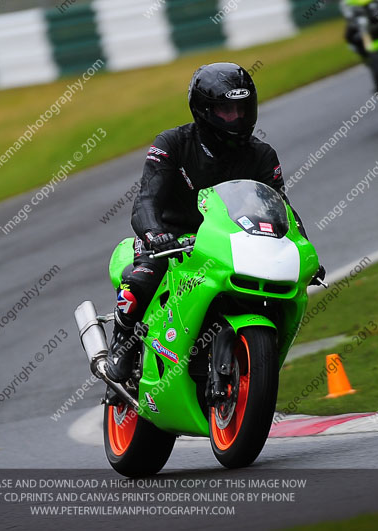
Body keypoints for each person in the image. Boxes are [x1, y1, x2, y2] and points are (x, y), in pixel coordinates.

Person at [105, 62, 324, 383]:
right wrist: (155, 232)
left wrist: (305, 251)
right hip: (171, 239)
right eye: (226, 110)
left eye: (242, 108)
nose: (237, 118)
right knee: (142, 280)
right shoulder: (171, 144)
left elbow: (282, 208)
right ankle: (122, 343)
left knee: (276, 289)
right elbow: (146, 199)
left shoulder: (262, 155)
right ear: (203, 110)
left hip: (229, 242)